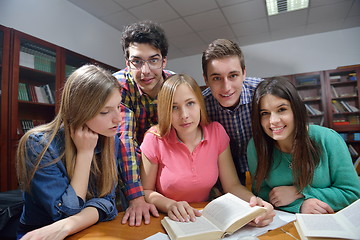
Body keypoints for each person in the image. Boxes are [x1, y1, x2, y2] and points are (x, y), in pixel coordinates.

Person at [140, 74, 274, 226]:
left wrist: (253, 204)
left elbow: (232, 185)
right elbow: (146, 191)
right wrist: (170, 205)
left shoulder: (216, 132)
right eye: (174, 107)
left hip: (206, 218)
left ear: (200, 105)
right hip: (167, 219)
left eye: (190, 103)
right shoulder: (154, 139)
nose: (184, 115)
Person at [16, 65, 121, 239]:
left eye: (118, 106)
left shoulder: (110, 138)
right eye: (105, 111)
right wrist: (85, 154)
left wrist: (68, 225)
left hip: (86, 231)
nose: (118, 118)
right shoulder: (38, 145)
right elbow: (66, 213)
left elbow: (108, 202)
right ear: (79, 111)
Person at [247, 78, 360, 214]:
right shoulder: (255, 146)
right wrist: (300, 206)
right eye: (265, 113)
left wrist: (300, 192)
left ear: (296, 110)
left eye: (282, 109)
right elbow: (261, 192)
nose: (273, 121)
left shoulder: (328, 139)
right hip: (284, 223)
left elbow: (353, 194)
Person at [113, 20, 175, 226]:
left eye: (153, 60)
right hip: (123, 167)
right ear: (127, 62)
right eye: (137, 61)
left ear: (164, 61)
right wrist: (136, 197)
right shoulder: (117, 86)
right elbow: (125, 140)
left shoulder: (175, 86)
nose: (145, 71)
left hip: (166, 166)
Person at [202, 39, 262, 185]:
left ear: (244, 73)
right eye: (217, 78)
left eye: (233, 75)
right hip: (224, 177)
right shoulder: (200, 107)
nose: (226, 87)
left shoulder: (263, 93)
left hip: (266, 168)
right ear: (206, 80)